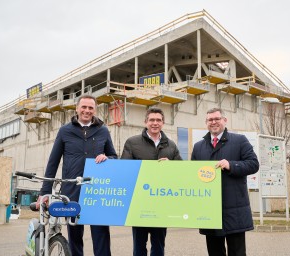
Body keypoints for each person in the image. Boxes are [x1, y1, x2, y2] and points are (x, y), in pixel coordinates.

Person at [39, 94, 117, 256]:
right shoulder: (65, 131)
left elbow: (114, 157)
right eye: (84, 107)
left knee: (101, 235)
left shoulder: (103, 130)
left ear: (95, 110)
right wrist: (44, 192)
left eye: (90, 108)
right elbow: (53, 162)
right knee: (74, 237)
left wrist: (107, 158)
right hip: (72, 191)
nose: (87, 111)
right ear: (77, 108)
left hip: (97, 191)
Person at [191, 108, 259, 256]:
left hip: (235, 210)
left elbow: (254, 164)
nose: (214, 122)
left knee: (237, 253)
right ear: (206, 123)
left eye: (217, 119)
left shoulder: (240, 140)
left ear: (225, 120)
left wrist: (231, 165)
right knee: (215, 253)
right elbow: (193, 175)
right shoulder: (198, 147)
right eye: (210, 120)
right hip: (209, 211)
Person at [121, 107, 182, 256]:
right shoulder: (132, 142)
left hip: (161, 203)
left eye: (158, 120)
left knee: (159, 245)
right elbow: (124, 168)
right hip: (140, 202)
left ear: (163, 123)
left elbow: (181, 170)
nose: (155, 123)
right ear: (145, 122)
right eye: (152, 120)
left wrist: (171, 165)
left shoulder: (171, 145)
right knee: (139, 246)